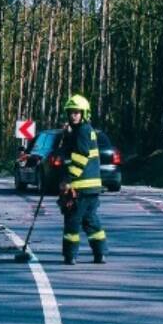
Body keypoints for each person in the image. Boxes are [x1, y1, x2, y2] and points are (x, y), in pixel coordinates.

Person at [58, 94, 108, 264]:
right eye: (71, 112)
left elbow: (80, 156)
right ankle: (100, 253)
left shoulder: (83, 131)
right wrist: (66, 136)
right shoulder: (85, 130)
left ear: (84, 113)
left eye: (77, 112)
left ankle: (70, 255)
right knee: (91, 221)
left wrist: (68, 180)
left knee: (72, 222)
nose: (73, 115)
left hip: (79, 187)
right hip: (92, 188)